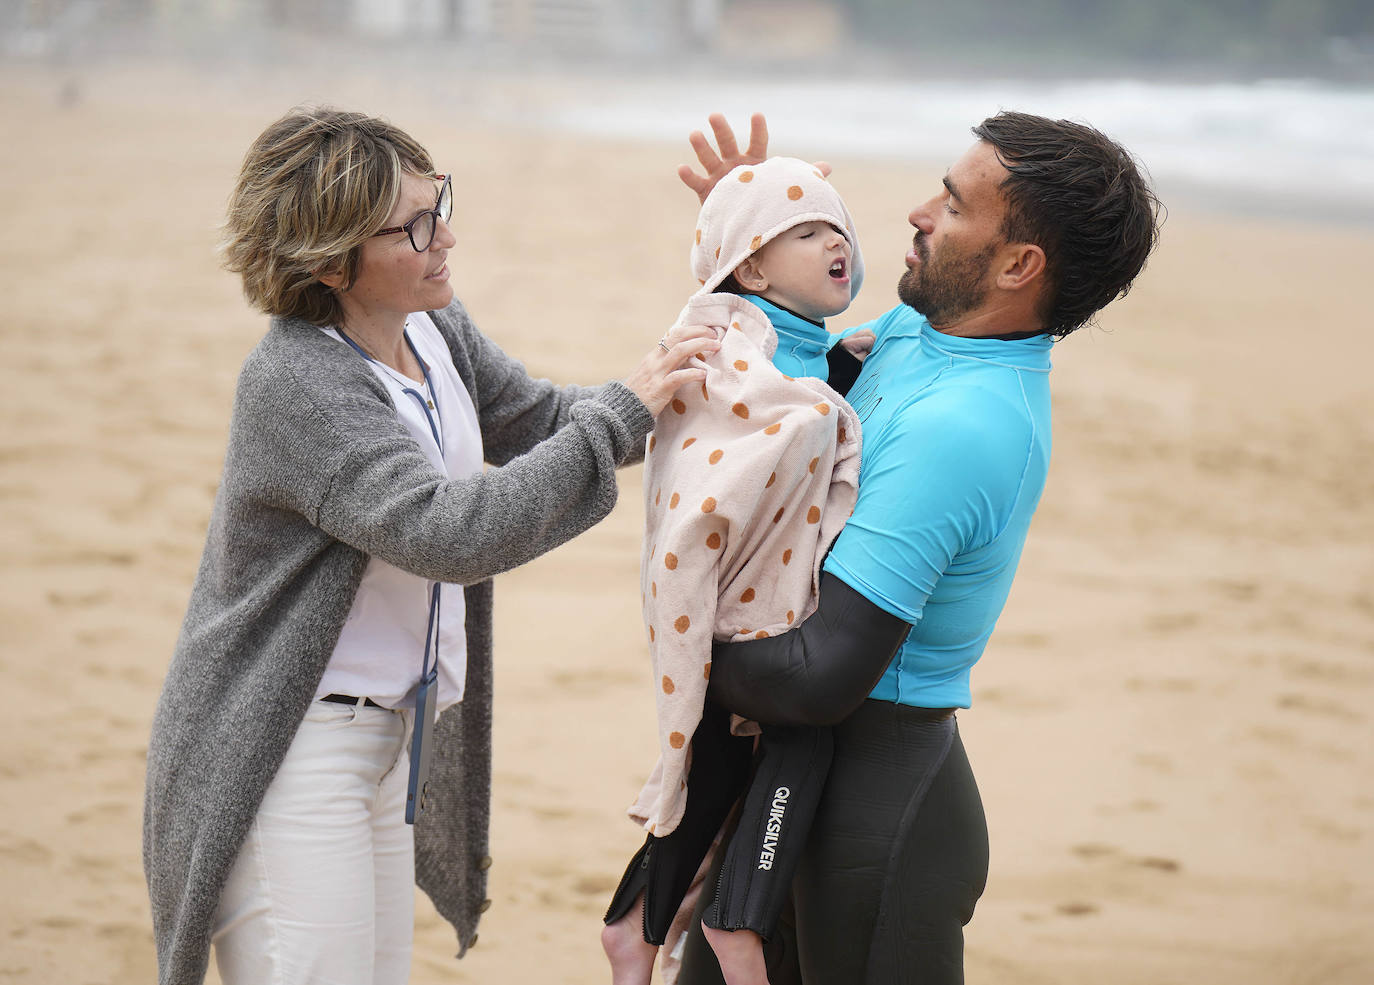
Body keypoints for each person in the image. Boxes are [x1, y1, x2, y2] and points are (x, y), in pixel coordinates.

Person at [140, 106, 720, 985]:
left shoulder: (427, 325)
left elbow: (546, 423)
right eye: (416, 224)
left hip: (391, 742)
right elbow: (450, 533)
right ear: (332, 260)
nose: (446, 234)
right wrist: (624, 409)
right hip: (287, 750)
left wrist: (708, 341)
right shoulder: (296, 382)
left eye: (437, 201)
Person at [667, 111, 1162, 985]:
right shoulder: (913, 332)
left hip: (876, 818)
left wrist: (681, 642)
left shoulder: (965, 426)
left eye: (955, 204)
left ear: (1018, 265)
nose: (918, 212)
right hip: (803, 779)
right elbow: (765, 383)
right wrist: (748, 234)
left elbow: (820, 675)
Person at [599, 156, 882, 985]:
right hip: (732, 600)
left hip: (752, 598)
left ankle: (632, 929)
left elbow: (807, 383)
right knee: (802, 738)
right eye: (808, 232)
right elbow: (746, 424)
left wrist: (846, 366)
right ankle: (736, 926)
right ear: (752, 266)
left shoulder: (806, 339)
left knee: (716, 769)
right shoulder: (726, 334)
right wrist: (830, 400)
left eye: (841, 230)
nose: (836, 244)